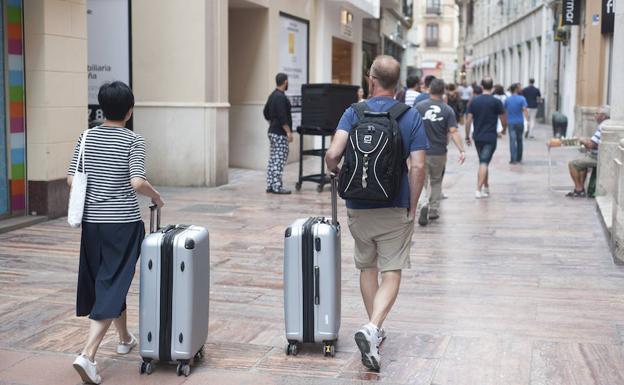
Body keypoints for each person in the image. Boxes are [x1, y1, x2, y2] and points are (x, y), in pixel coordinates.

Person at [325, 55, 428, 372]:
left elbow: (332, 154)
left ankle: (374, 329)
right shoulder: (410, 116)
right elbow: (419, 166)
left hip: (358, 205)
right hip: (394, 204)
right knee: (392, 270)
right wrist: (412, 203)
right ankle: (372, 327)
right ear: (397, 83)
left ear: (371, 79)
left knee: (366, 268)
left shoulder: (353, 112)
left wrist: (336, 172)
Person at [67, 81, 164, 384]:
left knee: (109, 280)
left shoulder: (86, 137)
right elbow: (137, 182)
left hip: (92, 224)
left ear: (101, 107)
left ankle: (124, 339)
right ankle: (88, 354)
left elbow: (72, 180)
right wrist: (156, 196)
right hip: (122, 224)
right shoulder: (133, 140)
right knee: (113, 282)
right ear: (129, 110)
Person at [415, 79, 466, 226]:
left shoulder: (419, 107)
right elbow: (453, 131)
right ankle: (433, 209)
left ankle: (423, 203)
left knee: (421, 181)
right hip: (439, 152)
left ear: (429, 90)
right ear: (443, 92)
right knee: (436, 180)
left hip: (421, 151)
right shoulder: (447, 110)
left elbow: (411, 128)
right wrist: (461, 150)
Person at [465, 77, 507, 198]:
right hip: (490, 137)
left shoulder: (474, 101)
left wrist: (467, 136)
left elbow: (468, 120)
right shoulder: (496, 102)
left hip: (477, 136)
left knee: (483, 161)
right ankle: (478, 189)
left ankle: (486, 186)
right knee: (484, 161)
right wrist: (504, 129)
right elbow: (503, 118)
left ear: (482, 87)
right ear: (492, 87)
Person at [562, 105, 610, 197]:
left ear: (603, 116)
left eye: (597, 113)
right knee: (582, 163)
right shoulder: (605, 125)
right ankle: (581, 188)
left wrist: (581, 140)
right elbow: (594, 142)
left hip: (597, 157)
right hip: (596, 155)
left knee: (572, 164)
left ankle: (578, 189)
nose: (595, 115)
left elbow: (591, 145)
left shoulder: (603, 126)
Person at [263, 73, 294, 194]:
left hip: (272, 131)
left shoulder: (272, 95)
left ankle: (271, 184)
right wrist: (288, 132)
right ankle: (277, 186)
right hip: (280, 133)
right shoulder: (281, 97)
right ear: (285, 82)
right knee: (279, 159)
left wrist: (272, 122)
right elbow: (282, 117)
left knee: (273, 158)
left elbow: (265, 112)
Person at [504, 83, 529, 164]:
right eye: (519, 88)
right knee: (519, 140)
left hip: (511, 122)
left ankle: (513, 159)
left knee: (512, 140)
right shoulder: (522, 99)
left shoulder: (507, 99)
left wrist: (505, 122)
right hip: (520, 122)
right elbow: (525, 110)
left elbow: (505, 111)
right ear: (516, 89)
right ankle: (519, 157)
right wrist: (527, 120)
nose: (521, 89)